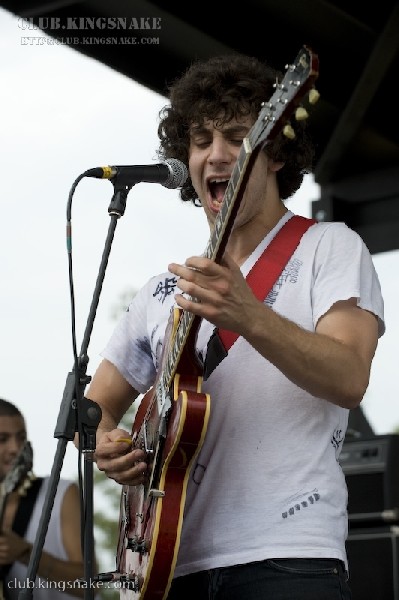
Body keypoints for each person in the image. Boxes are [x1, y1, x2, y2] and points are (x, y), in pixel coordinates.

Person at [87, 53, 385, 599]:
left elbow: (349, 377)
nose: (217, 155)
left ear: (274, 151)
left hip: (288, 556)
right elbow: (96, 406)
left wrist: (248, 314)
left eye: (237, 137)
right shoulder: (163, 290)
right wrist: (106, 440)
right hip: (165, 561)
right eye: (201, 140)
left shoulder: (330, 247)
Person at [0, 398, 87, 599]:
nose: (15, 448)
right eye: (2, 439)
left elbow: (88, 584)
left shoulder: (59, 493)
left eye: (21, 438)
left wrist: (25, 554)